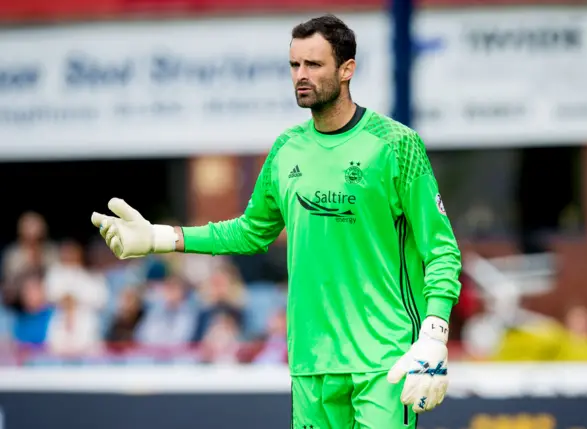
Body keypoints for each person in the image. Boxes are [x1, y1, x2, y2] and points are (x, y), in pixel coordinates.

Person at [91, 14, 462, 429]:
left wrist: (434, 333)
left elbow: (442, 250)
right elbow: (250, 232)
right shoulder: (287, 148)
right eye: (294, 65)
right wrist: (162, 237)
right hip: (310, 362)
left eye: (314, 65)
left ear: (347, 69)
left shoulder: (396, 144)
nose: (300, 76)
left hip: (383, 361)